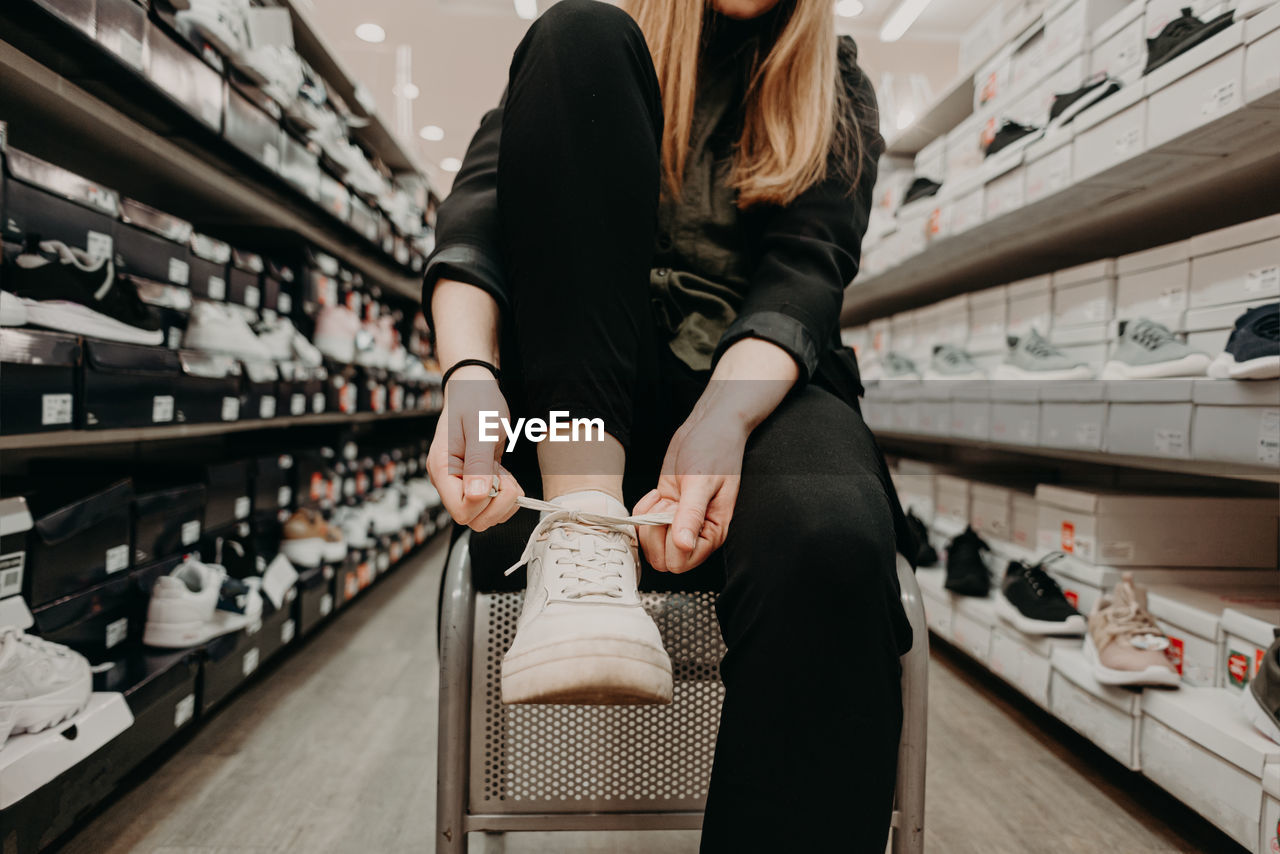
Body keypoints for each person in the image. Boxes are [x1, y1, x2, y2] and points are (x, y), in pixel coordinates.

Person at [423, 0, 915, 849]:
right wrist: (470, 374)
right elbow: (478, 222)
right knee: (579, 30)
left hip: (754, 385)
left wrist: (723, 413)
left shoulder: (833, 82)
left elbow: (806, 275)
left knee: (833, 539)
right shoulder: (594, 46)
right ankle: (587, 527)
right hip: (580, 407)